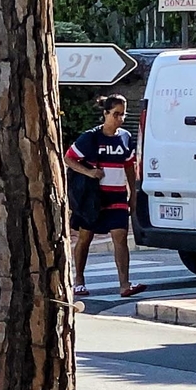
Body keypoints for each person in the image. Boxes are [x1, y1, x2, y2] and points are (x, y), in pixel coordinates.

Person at [65, 93, 143, 299]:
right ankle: (79, 281)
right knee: (85, 237)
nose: (119, 119)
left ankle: (124, 285)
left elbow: (128, 165)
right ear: (105, 113)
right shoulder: (90, 138)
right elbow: (69, 159)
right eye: (115, 114)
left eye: (123, 115)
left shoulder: (125, 138)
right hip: (94, 198)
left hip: (117, 196)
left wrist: (132, 193)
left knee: (120, 237)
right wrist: (90, 172)